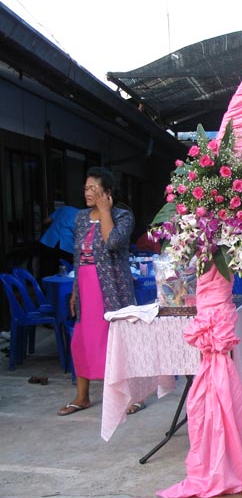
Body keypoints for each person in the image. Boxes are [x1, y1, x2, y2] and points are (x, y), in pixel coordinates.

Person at [57, 167, 139, 416]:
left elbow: (112, 243)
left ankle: (132, 397)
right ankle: (82, 397)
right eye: (86, 188)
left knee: (117, 341)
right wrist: (74, 292)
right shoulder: (81, 217)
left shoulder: (123, 216)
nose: (87, 192)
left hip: (112, 288)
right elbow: (78, 257)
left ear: (107, 192)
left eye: (93, 188)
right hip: (85, 286)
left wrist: (104, 212)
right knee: (82, 340)